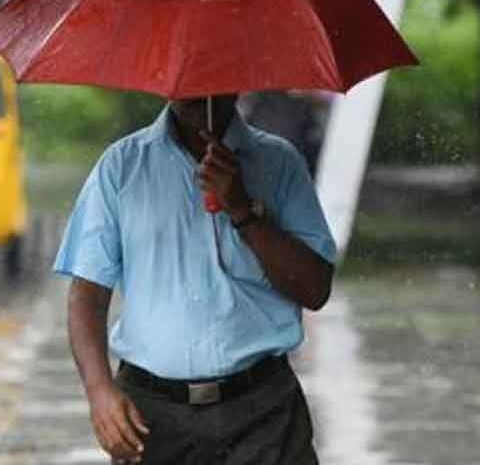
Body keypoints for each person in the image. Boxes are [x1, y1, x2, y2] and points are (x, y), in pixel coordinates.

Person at [55, 95, 336, 464]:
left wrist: (242, 209)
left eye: (213, 77)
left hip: (264, 413)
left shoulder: (279, 163)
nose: (199, 92)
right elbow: (86, 297)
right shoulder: (122, 166)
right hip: (153, 418)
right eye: (187, 80)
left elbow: (315, 289)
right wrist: (99, 392)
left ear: (236, 81)